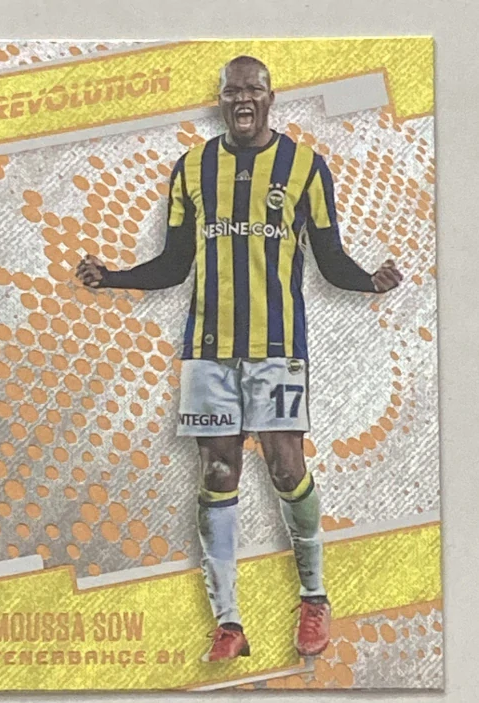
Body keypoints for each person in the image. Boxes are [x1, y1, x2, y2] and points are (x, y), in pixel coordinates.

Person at [76, 55, 402, 663]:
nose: (243, 99)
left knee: (286, 468)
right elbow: (174, 264)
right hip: (208, 353)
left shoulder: (305, 167)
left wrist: (370, 282)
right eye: (232, 91)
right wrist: (112, 276)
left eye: (253, 89)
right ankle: (228, 622)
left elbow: (330, 259)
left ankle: (314, 597)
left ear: (270, 98)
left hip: (277, 349)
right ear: (221, 100)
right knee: (218, 473)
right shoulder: (192, 168)